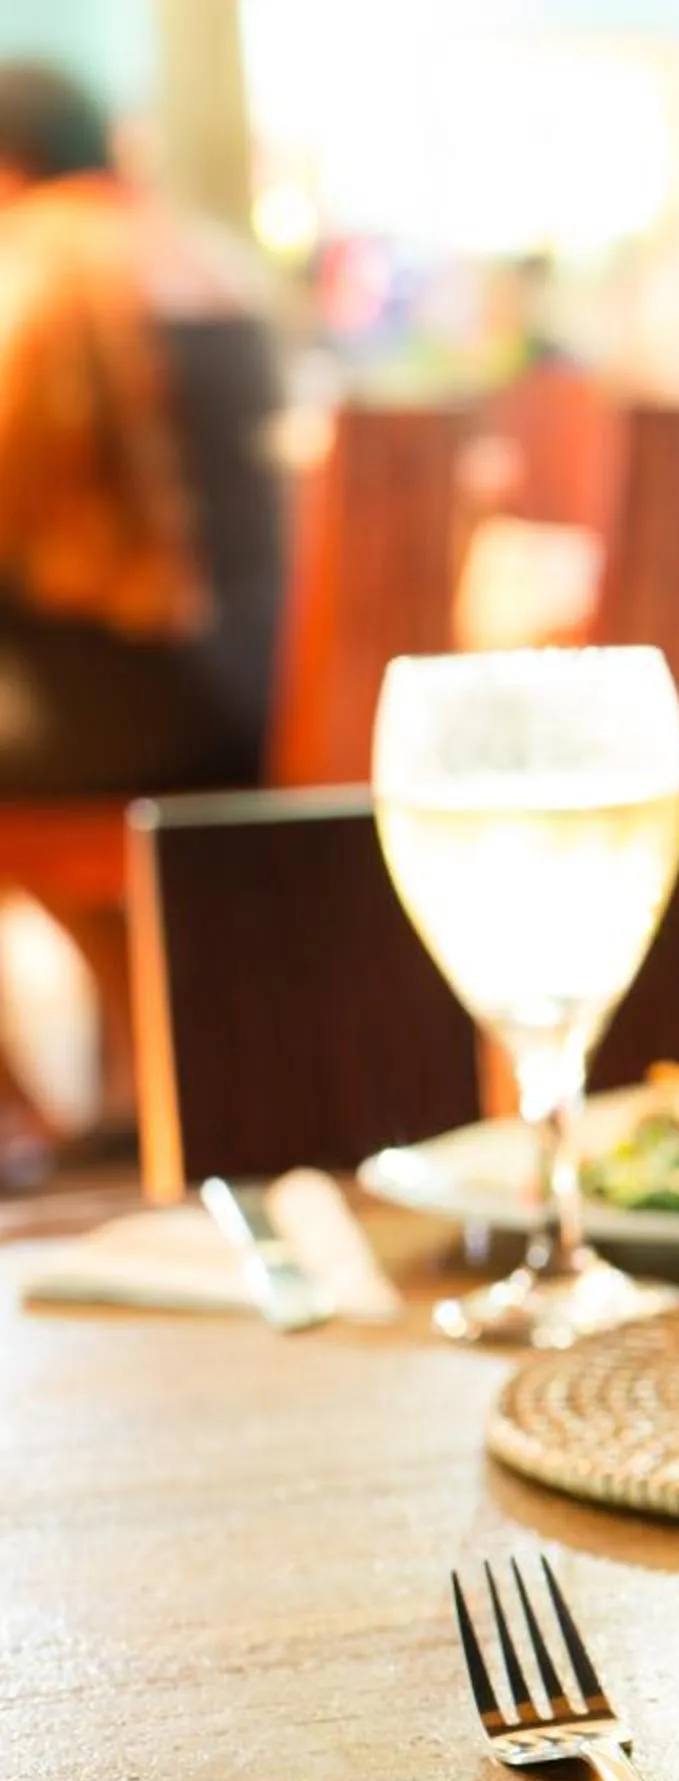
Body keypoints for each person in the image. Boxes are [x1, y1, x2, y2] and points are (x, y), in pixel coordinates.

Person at [0, 62, 285, 1152]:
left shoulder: (49, 266)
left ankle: (27, 1115)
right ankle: (132, 1082)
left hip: (134, 715)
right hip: (248, 695)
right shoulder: (205, 260)